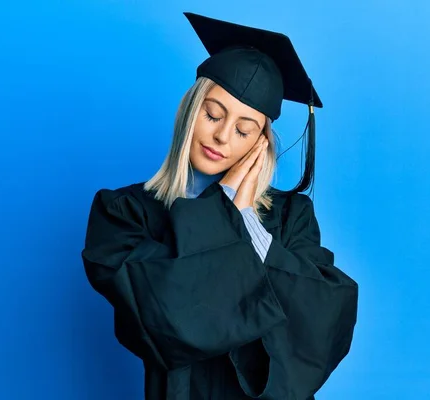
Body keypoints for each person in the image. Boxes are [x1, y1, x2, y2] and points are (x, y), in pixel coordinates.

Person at [81, 12, 359, 400]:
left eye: (244, 129)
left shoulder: (289, 217)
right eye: (213, 114)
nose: (222, 136)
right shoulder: (125, 213)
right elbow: (161, 318)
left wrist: (247, 220)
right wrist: (225, 205)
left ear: (259, 144)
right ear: (189, 111)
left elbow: (322, 319)